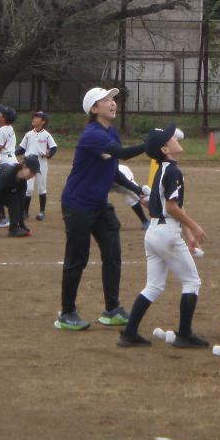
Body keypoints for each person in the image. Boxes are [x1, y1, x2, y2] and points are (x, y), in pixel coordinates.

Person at [55, 87, 147, 331]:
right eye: (106, 100)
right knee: (77, 259)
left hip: (98, 204)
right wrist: (151, 144)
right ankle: (66, 313)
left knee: (112, 253)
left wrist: (137, 192)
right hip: (78, 204)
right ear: (94, 109)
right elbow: (124, 154)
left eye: (113, 99)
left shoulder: (110, 132)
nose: (112, 103)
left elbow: (114, 170)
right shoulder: (92, 135)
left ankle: (112, 309)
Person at [117, 124, 209, 349]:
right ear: (165, 150)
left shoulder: (162, 170)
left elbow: (160, 206)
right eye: (171, 139)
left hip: (154, 234)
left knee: (154, 286)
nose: (176, 139)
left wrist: (187, 234)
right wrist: (194, 226)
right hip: (166, 233)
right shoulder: (173, 172)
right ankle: (184, 334)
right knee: (191, 281)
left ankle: (129, 333)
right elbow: (173, 208)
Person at [0, 155, 40, 237]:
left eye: (35, 173)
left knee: (15, 200)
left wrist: (22, 225)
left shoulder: (22, 182)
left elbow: (20, 203)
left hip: (0, 190)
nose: (33, 175)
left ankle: (14, 229)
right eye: (32, 172)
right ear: (24, 166)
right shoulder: (8, 173)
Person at [18, 111, 58, 221]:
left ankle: (42, 212)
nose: (34, 119)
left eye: (37, 117)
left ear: (43, 121)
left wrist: (49, 154)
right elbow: (22, 149)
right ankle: (25, 212)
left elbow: (54, 148)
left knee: (41, 187)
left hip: (41, 162)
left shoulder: (46, 135)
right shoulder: (28, 134)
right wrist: (11, 152)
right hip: (28, 162)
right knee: (28, 188)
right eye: (34, 117)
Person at [112, 163, 151, 229]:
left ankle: (159, 216)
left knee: (137, 197)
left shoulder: (122, 176)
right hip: (109, 182)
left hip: (123, 178)